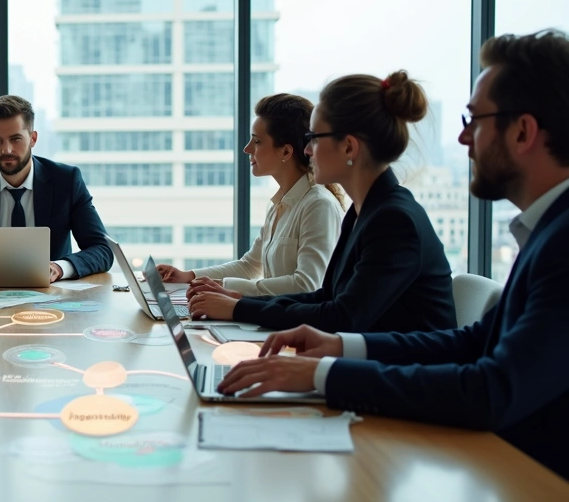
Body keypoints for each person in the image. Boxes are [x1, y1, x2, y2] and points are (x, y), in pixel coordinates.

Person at [218, 30, 569, 480]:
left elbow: (491, 389)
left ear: (522, 131)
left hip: (526, 483)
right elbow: (474, 341)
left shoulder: (559, 244)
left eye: (474, 120)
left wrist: (324, 374)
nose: (463, 139)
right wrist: (339, 349)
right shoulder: (545, 232)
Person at [189, 71, 456, 334]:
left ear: (349, 147)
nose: (306, 150)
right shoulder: (363, 212)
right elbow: (325, 297)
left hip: (400, 373)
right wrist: (238, 304)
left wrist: (238, 307)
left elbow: (341, 317)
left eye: (313, 139)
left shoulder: (394, 220)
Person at [157, 94, 344, 297]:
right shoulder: (279, 204)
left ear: (285, 152)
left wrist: (226, 288)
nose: (247, 149)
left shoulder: (318, 205)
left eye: (257, 141)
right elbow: (249, 266)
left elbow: (307, 285)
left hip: (297, 326)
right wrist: (188, 276)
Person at [0, 95, 113, 281]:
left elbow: (102, 250)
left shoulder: (65, 181)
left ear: (33, 138)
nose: (6, 150)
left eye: (15, 139)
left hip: (52, 298)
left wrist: (59, 268)